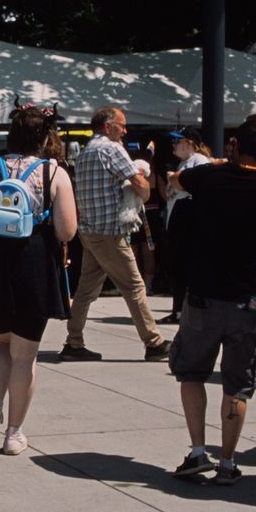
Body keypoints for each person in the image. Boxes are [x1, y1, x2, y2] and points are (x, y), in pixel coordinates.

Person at [168, 114, 256, 485]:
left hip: (203, 294)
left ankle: (196, 451)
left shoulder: (208, 177)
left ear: (235, 144)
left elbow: (178, 179)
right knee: (237, 384)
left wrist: (221, 162)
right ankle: (226, 461)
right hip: (247, 298)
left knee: (191, 372)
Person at [0, 105, 78, 454]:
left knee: (2, 344)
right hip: (34, 264)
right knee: (25, 355)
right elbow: (66, 230)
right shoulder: (52, 172)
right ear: (44, 137)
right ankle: (14, 433)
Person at [59, 106, 169, 362]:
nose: (125, 130)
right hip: (110, 231)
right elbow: (139, 181)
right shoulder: (111, 148)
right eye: (122, 125)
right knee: (134, 286)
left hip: (91, 231)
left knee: (86, 289)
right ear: (108, 126)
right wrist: (144, 194)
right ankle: (154, 343)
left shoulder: (86, 152)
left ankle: (73, 342)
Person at [159, 128, 212, 325]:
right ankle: (178, 309)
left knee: (186, 266)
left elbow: (190, 185)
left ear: (189, 143)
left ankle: (187, 310)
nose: (173, 145)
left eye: (177, 141)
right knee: (177, 267)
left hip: (189, 218)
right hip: (177, 218)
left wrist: (176, 178)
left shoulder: (200, 160)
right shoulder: (183, 163)